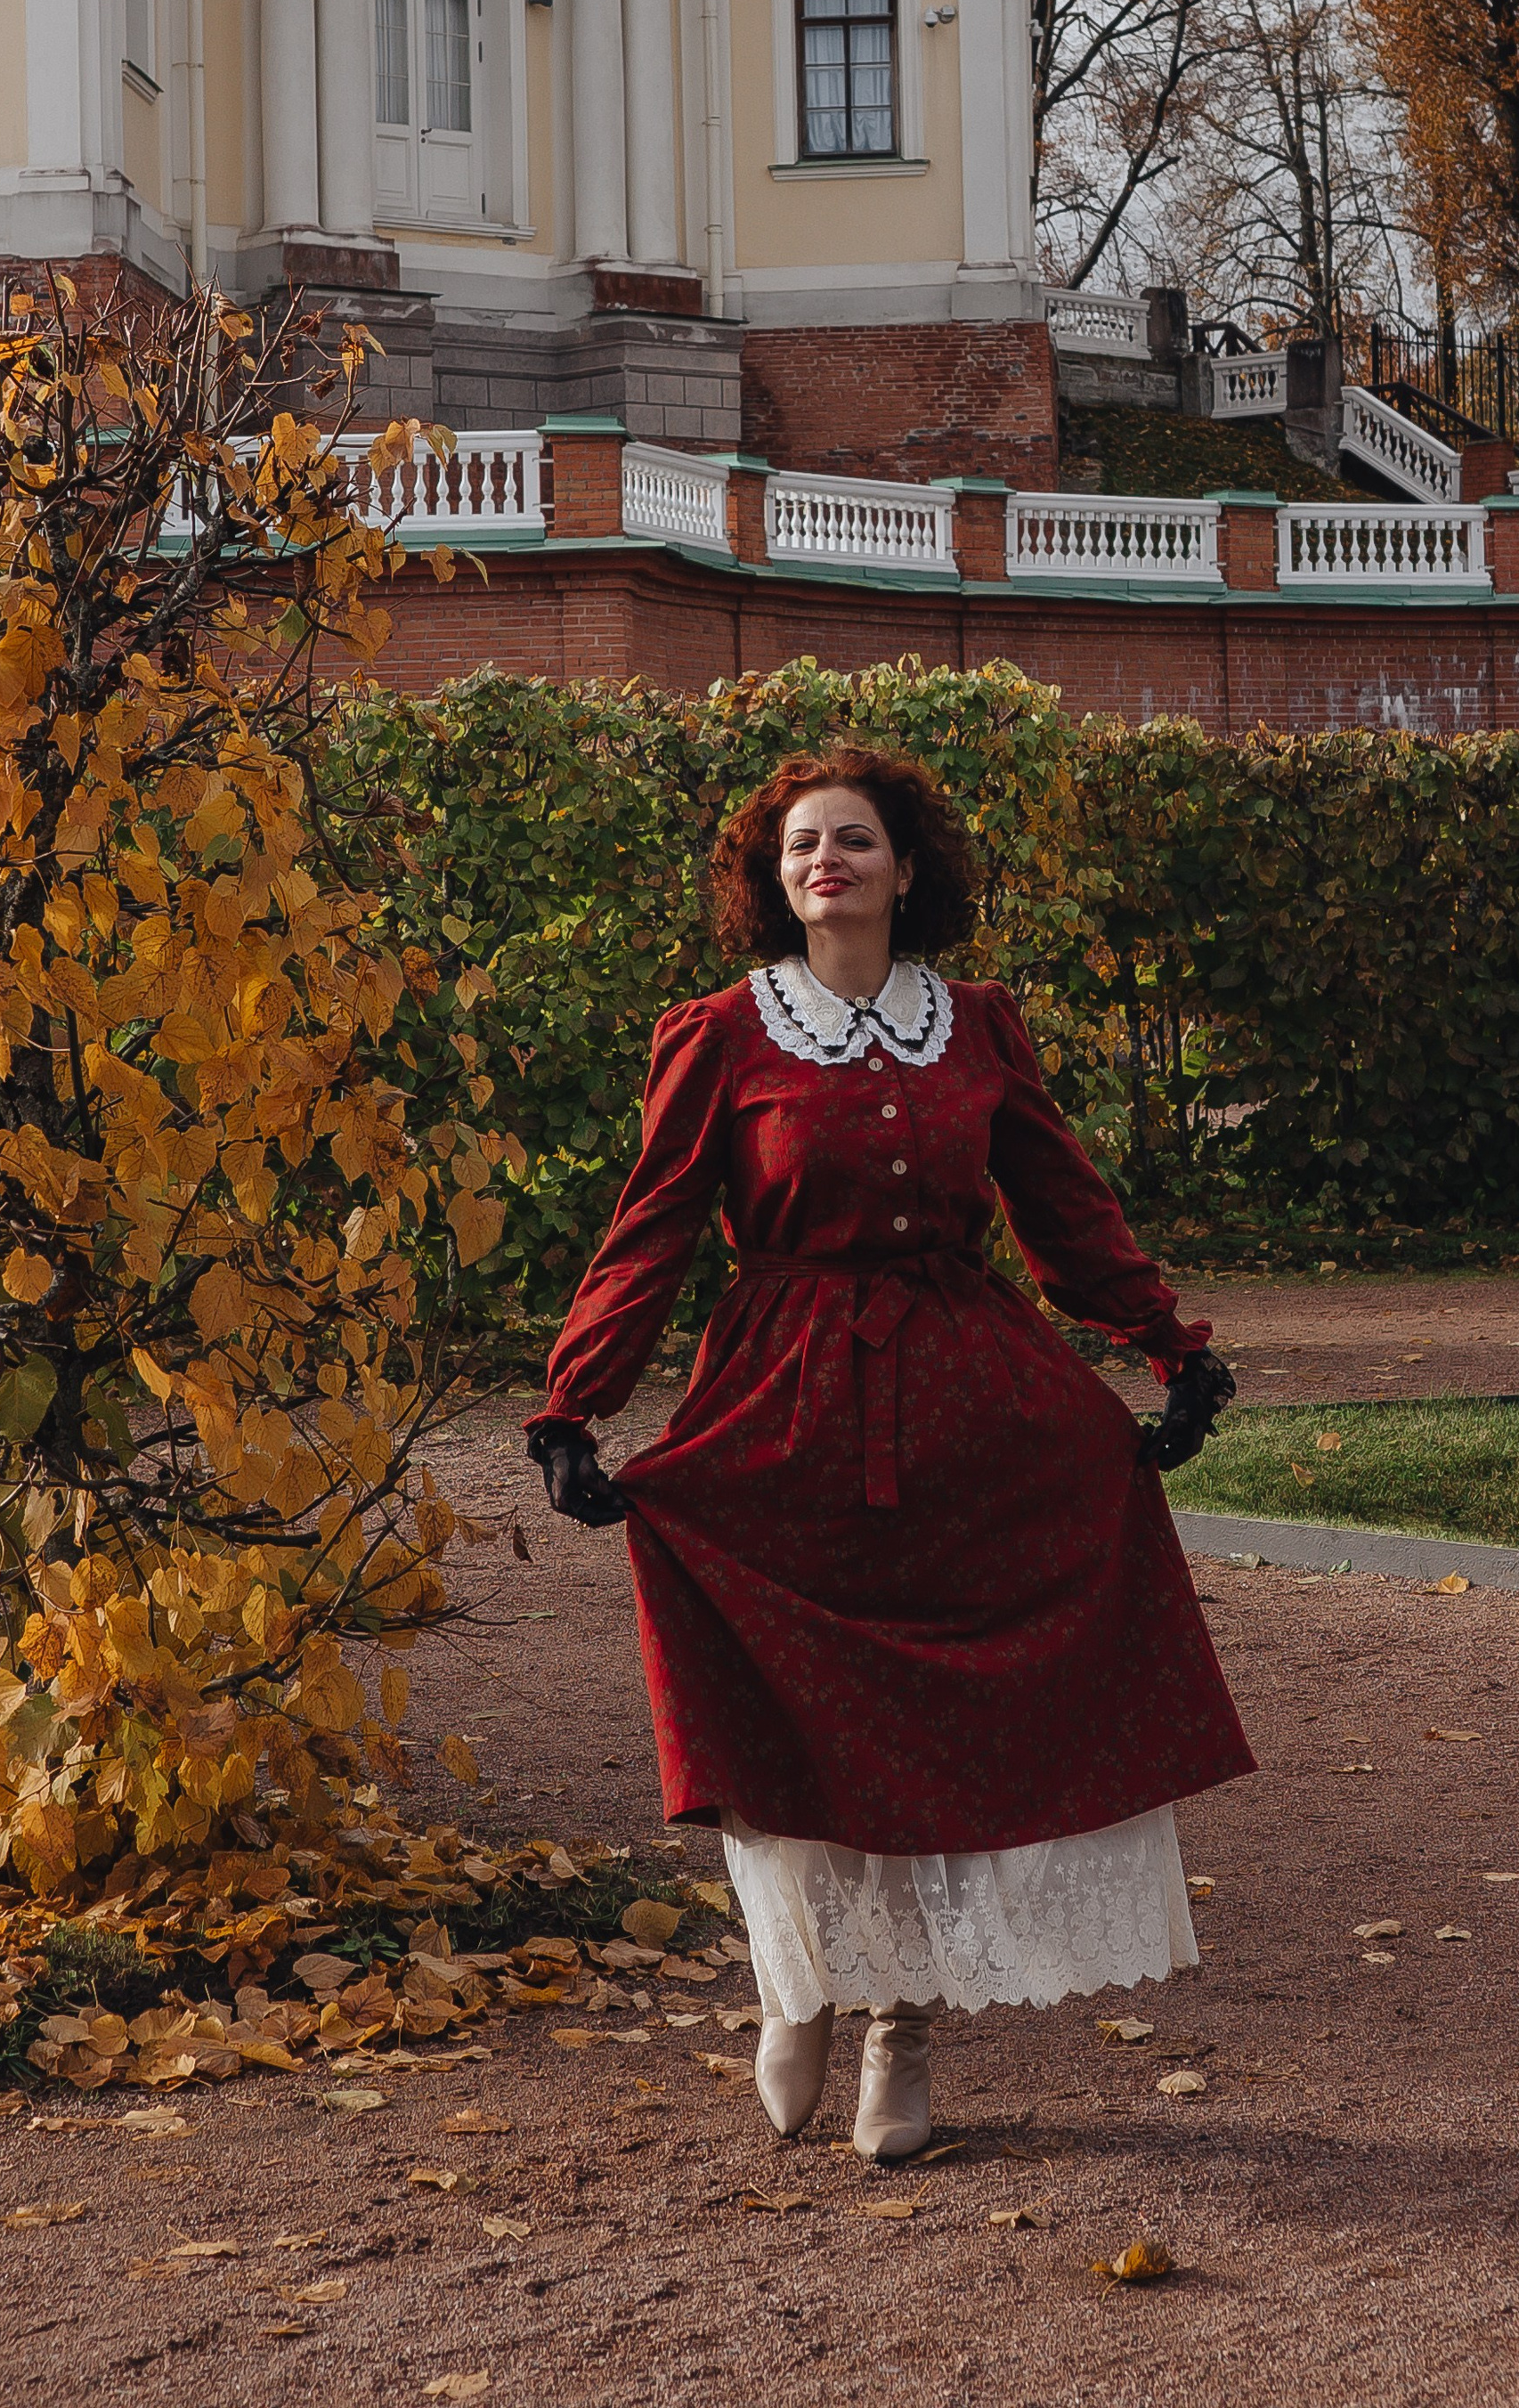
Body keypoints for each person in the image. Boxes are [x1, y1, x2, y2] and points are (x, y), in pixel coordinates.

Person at [525, 744, 1251, 2162]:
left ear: (905, 870)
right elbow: (651, 1228)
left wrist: (1167, 1345)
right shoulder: (721, 1034)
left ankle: (901, 2030)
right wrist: (575, 1402)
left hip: (967, 1405)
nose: (826, 862)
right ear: (775, 877)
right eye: (802, 844)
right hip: (786, 1405)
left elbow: (1061, 1207)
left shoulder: (974, 1024)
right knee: (796, 1712)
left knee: (939, 1732)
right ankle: (800, 1981)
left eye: (852, 839)